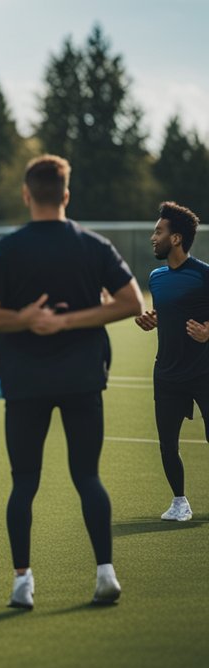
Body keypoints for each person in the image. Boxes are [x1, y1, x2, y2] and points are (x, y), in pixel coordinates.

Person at [0, 154, 144, 609]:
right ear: (66, 195)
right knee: (88, 475)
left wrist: (26, 318)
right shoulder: (95, 246)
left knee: (23, 481)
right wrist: (73, 323)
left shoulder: (5, 250)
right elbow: (132, 302)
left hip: (24, 382)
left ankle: (22, 583)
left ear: (26, 194)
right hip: (83, 377)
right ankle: (105, 573)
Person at [134, 201, 207, 523]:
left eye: (158, 231)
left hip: (204, 372)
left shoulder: (204, 275)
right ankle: (180, 501)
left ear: (176, 239)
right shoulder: (156, 277)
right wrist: (153, 319)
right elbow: (170, 312)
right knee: (167, 444)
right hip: (166, 373)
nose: (153, 237)